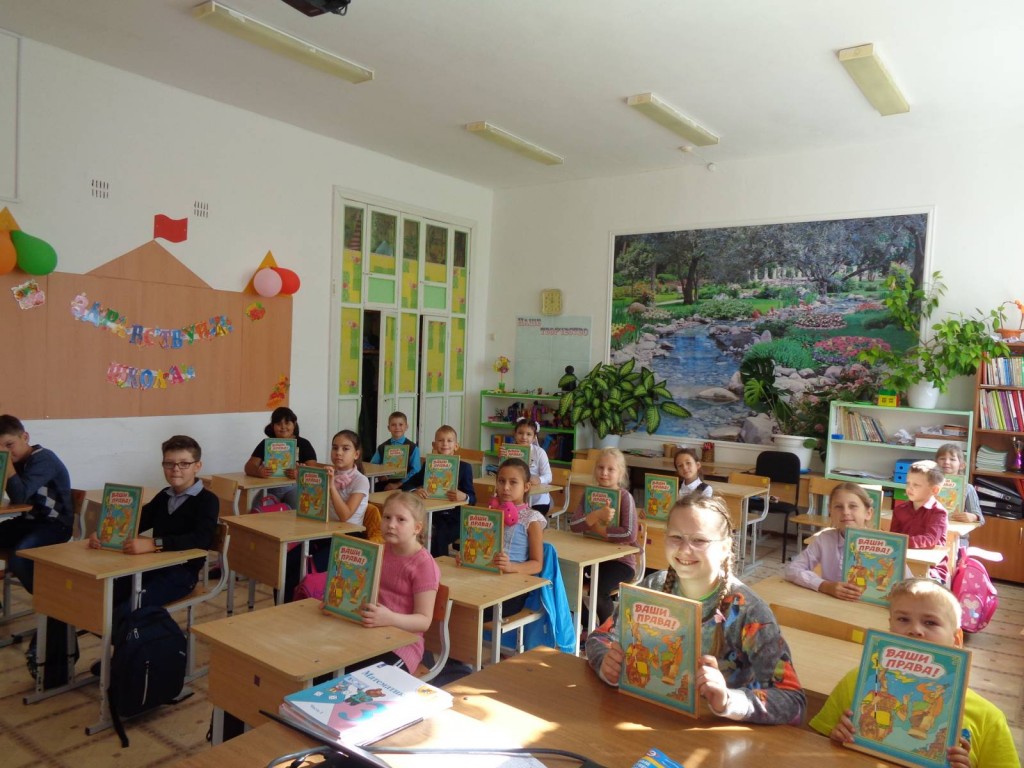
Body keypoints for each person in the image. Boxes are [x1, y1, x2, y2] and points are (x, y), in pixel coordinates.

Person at [586, 493, 805, 725]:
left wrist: (728, 699)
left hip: (714, 731)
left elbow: (793, 701)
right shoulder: (653, 587)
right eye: (676, 537)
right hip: (649, 717)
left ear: (725, 547)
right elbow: (599, 638)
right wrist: (606, 664)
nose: (684, 549)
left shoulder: (748, 612)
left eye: (699, 540)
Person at [809, 577, 1019, 767]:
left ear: (956, 639)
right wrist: (836, 739)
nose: (915, 630)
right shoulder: (857, 681)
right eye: (903, 619)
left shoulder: (988, 718)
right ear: (890, 627)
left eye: (930, 622)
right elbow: (816, 744)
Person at [88, 435, 218, 624]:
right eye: (169, 463)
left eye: (184, 464)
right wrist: (104, 533)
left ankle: (127, 641)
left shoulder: (208, 500)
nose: (175, 469)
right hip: (150, 566)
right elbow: (136, 522)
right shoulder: (164, 496)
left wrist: (154, 544)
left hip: (181, 574)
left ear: (197, 466)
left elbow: (201, 539)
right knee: (97, 594)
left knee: (127, 609)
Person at [354, 492, 440, 673]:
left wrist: (390, 618)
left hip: (403, 645)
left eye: (401, 519)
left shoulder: (424, 565)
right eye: (387, 517)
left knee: (363, 678)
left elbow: (424, 621)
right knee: (327, 670)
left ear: (417, 528)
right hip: (368, 634)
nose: (391, 525)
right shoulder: (377, 551)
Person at [284, 429, 369, 601]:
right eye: (335, 448)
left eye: (345, 449)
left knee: (305, 569)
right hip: (324, 533)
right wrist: (304, 480)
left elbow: (345, 515)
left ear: (356, 454)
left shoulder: (361, 480)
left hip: (348, 538)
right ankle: (282, 608)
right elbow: (313, 507)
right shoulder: (328, 474)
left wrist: (330, 487)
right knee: (286, 564)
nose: (338, 453)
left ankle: (300, 604)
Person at [784, 482, 909, 598]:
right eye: (838, 507)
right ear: (830, 512)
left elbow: (910, 585)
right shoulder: (825, 539)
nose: (845, 512)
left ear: (868, 513)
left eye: (853, 506)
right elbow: (792, 569)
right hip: (832, 604)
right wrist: (824, 586)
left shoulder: (886, 544)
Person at [0, 414, 73, 593]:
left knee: (19, 557)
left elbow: (19, 497)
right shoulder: (17, 461)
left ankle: (52, 600)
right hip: (28, 522)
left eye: (9, 445)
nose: (6, 452)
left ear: (25, 437)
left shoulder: (43, 459)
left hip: (55, 525)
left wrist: (6, 464)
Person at [568, 447, 640, 624]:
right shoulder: (589, 495)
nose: (604, 473)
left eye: (611, 469)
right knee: (566, 580)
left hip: (621, 563)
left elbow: (630, 534)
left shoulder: (625, 497)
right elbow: (574, 525)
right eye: (600, 467)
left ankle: (608, 631)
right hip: (591, 558)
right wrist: (594, 516)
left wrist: (600, 530)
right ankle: (586, 624)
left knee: (598, 591)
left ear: (620, 473)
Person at [480, 458, 546, 620]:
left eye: (513, 482)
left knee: (476, 611)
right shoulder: (491, 513)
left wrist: (511, 566)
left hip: (513, 590)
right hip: (487, 579)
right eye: (501, 481)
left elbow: (537, 565)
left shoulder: (531, 519)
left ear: (526, 487)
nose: (506, 487)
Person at [401, 424, 476, 557]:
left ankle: (438, 564)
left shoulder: (465, 468)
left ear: (456, 446)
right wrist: (415, 491)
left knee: (438, 533)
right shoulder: (429, 465)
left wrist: (464, 497)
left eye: (449, 440)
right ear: (434, 444)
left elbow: (473, 498)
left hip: (456, 518)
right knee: (413, 526)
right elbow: (408, 484)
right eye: (440, 440)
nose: (445, 444)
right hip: (433, 514)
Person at [243, 407, 318, 509]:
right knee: (259, 507)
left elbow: (314, 470)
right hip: (270, 488)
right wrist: (258, 472)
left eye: (287, 423)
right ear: (273, 426)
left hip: (295, 487)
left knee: (299, 507)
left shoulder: (304, 444)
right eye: (278, 424)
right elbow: (248, 467)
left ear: (294, 424)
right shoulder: (267, 444)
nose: (283, 427)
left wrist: (300, 473)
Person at [935, 443, 984, 547]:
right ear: (935, 463)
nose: (946, 462)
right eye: (942, 458)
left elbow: (981, 519)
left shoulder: (968, 488)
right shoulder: (928, 485)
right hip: (931, 535)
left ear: (961, 465)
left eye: (952, 459)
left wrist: (973, 517)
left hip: (957, 539)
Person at [890, 461, 948, 549]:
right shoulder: (899, 510)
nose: (909, 488)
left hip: (929, 557)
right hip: (904, 555)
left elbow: (930, 539)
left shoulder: (939, 513)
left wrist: (902, 542)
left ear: (934, 490)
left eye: (916, 485)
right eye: (908, 483)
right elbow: (894, 536)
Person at [370, 411, 422, 491]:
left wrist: (398, 484)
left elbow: (416, 470)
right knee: (370, 489)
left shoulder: (413, 448)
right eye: (393, 425)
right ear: (389, 428)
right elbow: (372, 466)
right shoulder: (382, 447)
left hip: (406, 483)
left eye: (400, 424)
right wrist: (380, 475)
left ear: (406, 427)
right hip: (386, 482)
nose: (397, 427)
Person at [511, 417, 552, 514]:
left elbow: (549, 476)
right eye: (520, 433)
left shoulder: (540, 452)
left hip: (538, 501)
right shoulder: (509, 450)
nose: (524, 437)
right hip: (515, 498)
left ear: (534, 437)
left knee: (528, 519)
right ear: (515, 434)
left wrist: (539, 479)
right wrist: (502, 460)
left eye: (528, 434)